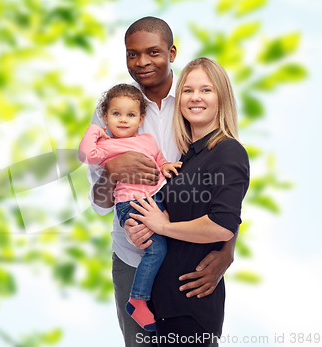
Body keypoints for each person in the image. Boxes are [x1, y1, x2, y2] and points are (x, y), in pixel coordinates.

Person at [87, 17, 237, 347]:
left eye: (153, 52)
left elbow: (224, 185)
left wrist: (228, 248)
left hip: (188, 258)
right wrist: (111, 173)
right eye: (131, 54)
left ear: (171, 53)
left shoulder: (191, 103)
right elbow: (98, 202)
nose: (141, 62)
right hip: (132, 256)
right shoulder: (113, 110)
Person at [126, 57, 250, 346]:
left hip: (190, 309)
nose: (195, 98)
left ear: (222, 98)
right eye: (187, 90)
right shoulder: (186, 159)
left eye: (206, 90)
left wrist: (162, 226)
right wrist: (141, 226)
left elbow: (223, 225)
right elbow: (177, 215)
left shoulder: (228, 151)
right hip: (164, 307)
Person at [79, 83, 182, 332]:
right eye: (116, 114)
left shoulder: (147, 140)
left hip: (154, 200)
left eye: (130, 115)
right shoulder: (105, 146)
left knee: (162, 246)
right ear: (105, 117)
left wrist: (165, 166)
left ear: (140, 119)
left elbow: (159, 160)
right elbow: (85, 155)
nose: (123, 120)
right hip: (130, 205)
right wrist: (95, 130)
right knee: (155, 250)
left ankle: (139, 299)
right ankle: (137, 300)